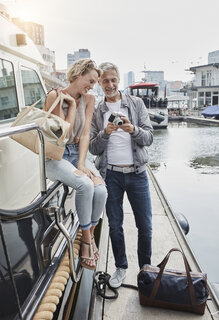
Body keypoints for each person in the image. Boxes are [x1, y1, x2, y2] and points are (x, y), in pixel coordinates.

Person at [89, 62, 153, 287]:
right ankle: (120, 267)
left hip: (137, 174)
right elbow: (93, 148)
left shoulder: (136, 104)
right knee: (115, 225)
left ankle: (146, 270)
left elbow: (149, 138)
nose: (110, 84)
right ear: (99, 83)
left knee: (145, 226)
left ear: (119, 80)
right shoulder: (98, 111)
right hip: (111, 176)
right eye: (105, 80)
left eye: (113, 79)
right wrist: (106, 133)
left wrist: (132, 129)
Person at [44, 59, 107, 270]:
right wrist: (70, 104)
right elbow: (66, 135)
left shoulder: (89, 99)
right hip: (55, 157)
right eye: (90, 80)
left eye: (95, 82)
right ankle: (87, 241)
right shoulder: (55, 96)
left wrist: (82, 163)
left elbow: (86, 133)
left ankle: (87, 232)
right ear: (78, 74)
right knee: (85, 185)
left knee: (101, 191)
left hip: (76, 155)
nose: (92, 86)